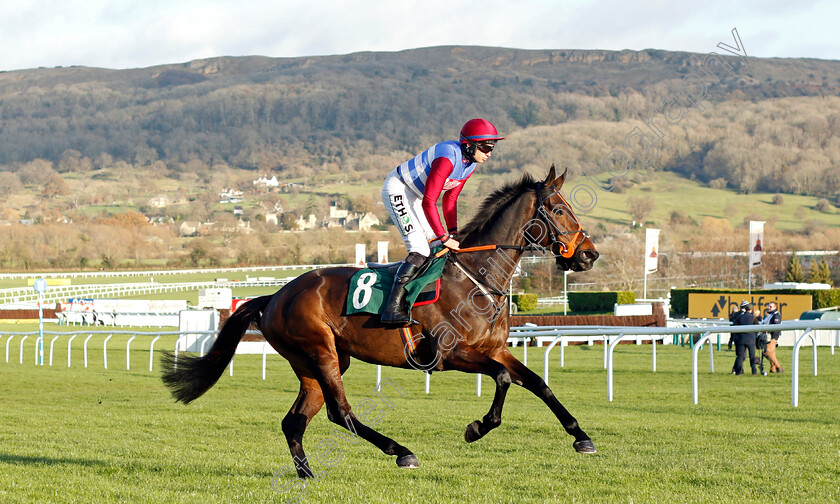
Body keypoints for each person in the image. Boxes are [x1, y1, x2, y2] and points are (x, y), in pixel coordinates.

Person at [379, 118, 504, 325]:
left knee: (437, 247)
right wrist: (444, 236)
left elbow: (450, 199)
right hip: (399, 189)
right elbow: (430, 201)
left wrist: (453, 232)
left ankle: (423, 301)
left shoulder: (469, 164)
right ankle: (391, 309)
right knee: (420, 249)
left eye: (492, 147)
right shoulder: (447, 158)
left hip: (417, 197)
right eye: (484, 147)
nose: (489, 153)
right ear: (468, 145)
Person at [731, 301, 758, 375]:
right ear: (751, 310)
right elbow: (757, 327)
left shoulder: (739, 317)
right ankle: (754, 371)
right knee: (752, 356)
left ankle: (738, 372)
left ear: (745, 309)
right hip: (751, 339)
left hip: (741, 339)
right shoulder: (753, 318)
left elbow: (735, 326)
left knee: (740, 356)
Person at [760, 301, 784, 373]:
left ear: (775, 307)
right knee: (772, 353)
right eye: (769, 306)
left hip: (772, 336)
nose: (769, 308)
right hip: (769, 336)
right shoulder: (770, 315)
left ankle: (778, 366)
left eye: (771, 307)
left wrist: (773, 337)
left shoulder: (776, 315)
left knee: (768, 352)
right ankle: (772, 369)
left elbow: (775, 326)